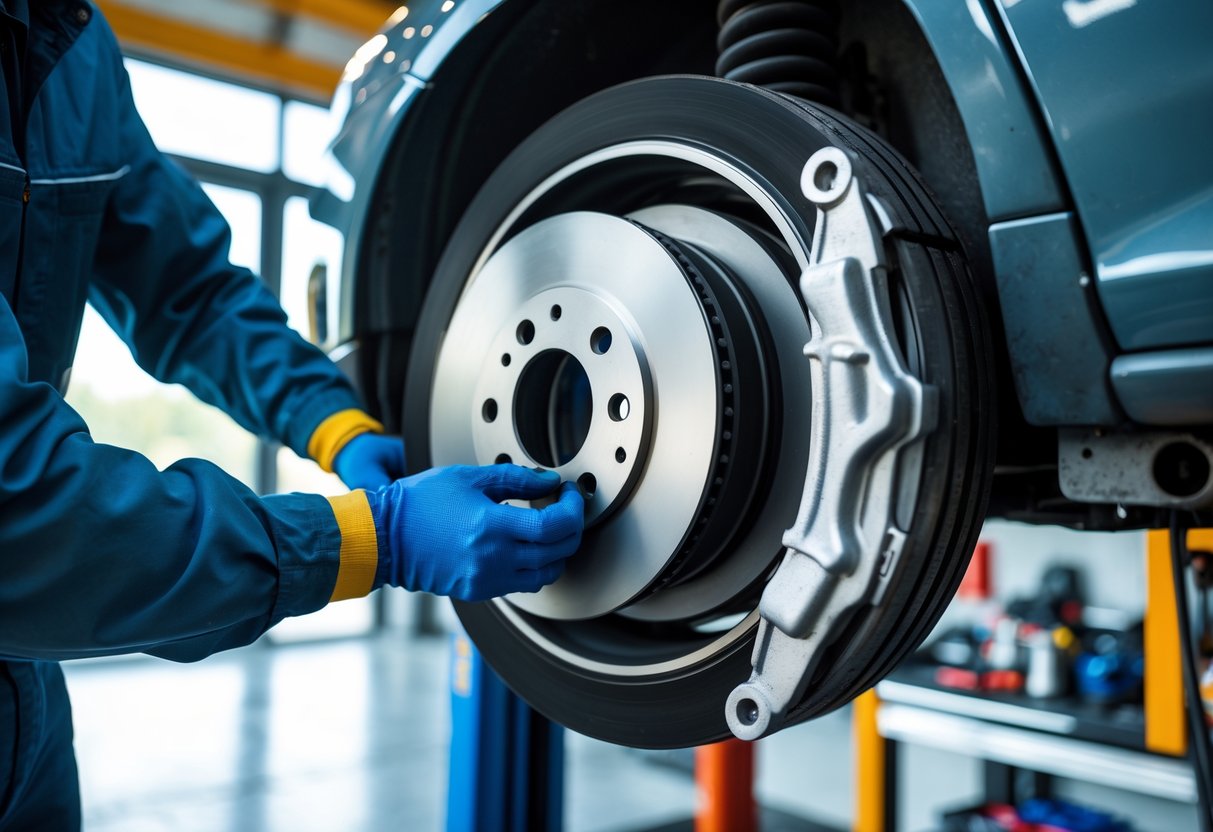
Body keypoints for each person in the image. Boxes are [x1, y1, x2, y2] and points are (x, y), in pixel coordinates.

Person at [0, 2, 586, 828]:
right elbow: (15, 511)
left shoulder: (68, 45)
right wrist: (372, 538)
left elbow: (191, 294)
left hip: (23, 705)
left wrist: (334, 425)